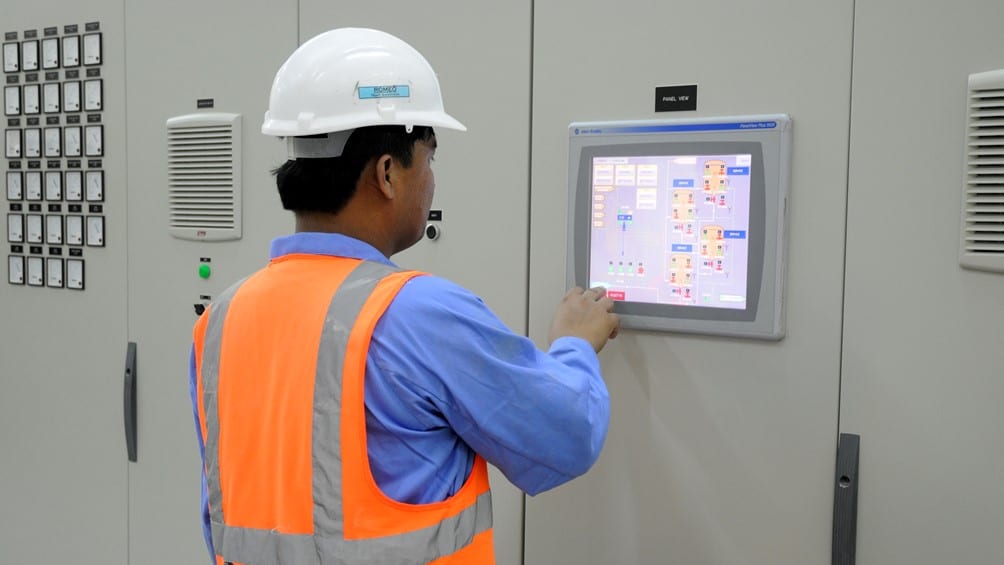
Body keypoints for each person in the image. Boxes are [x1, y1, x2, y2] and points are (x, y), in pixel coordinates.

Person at [190, 27, 619, 565]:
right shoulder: (418, 314)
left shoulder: (222, 319)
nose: (433, 181)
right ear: (388, 173)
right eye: (430, 158)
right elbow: (567, 436)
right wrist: (574, 344)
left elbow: (221, 515)